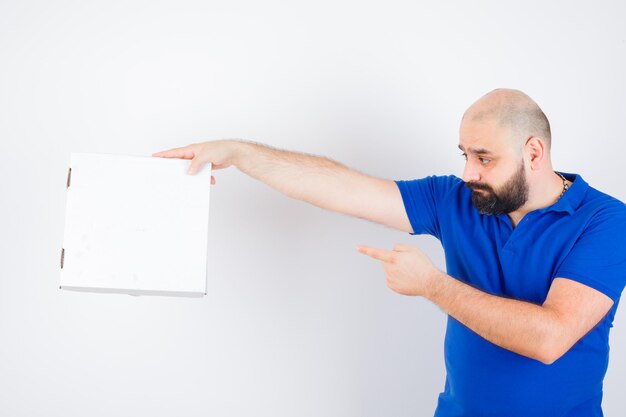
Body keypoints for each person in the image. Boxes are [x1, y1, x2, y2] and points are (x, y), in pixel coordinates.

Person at [152, 88, 626, 417]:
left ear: (535, 153)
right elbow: (345, 189)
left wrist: (432, 285)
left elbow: (550, 338)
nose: (468, 172)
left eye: (484, 158)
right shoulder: (458, 200)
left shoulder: (605, 221)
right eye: (463, 153)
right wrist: (239, 153)